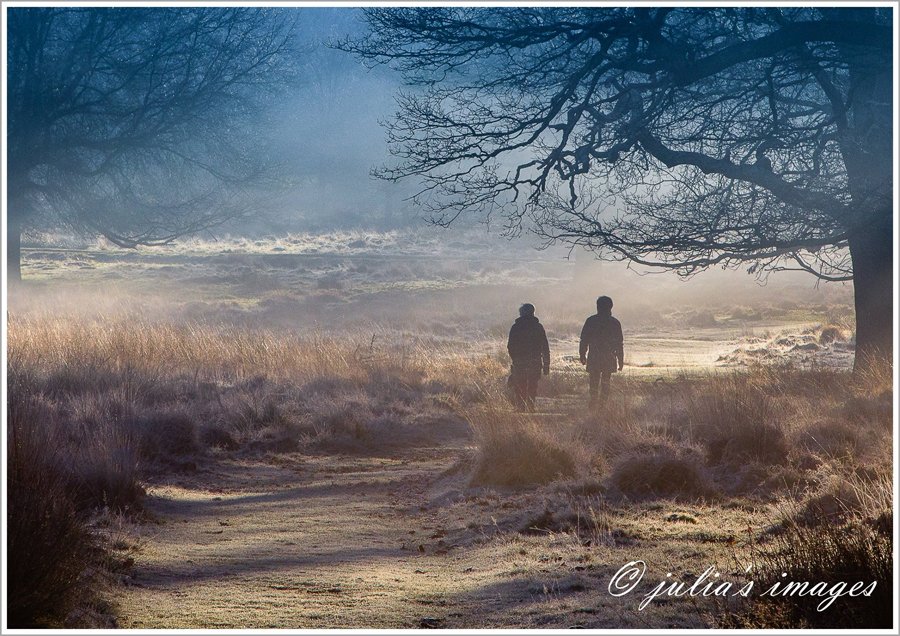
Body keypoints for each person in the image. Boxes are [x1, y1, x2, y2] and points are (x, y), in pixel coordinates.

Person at [579, 296, 624, 408]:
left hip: (594, 355)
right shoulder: (615, 323)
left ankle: (593, 401)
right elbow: (619, 343)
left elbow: (584, 339)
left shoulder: (591, 321)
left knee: (593, 381)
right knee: (606, 381)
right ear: (611, 307)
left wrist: (582, 354)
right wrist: (620, 359)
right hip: (609, 357)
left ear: (598, 306)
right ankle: (602, 404)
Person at [507, 303, 550, 412]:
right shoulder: (538, 327)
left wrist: (515, 359)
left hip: (519, 362)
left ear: (521, 313)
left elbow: (510, 346)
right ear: (533, 313)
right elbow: (545, 346)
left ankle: (520, 408)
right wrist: (546, 365)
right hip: (535, 361)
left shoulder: (516, 327)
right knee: (532, 386)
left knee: (519, 386)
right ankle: (531, 407)